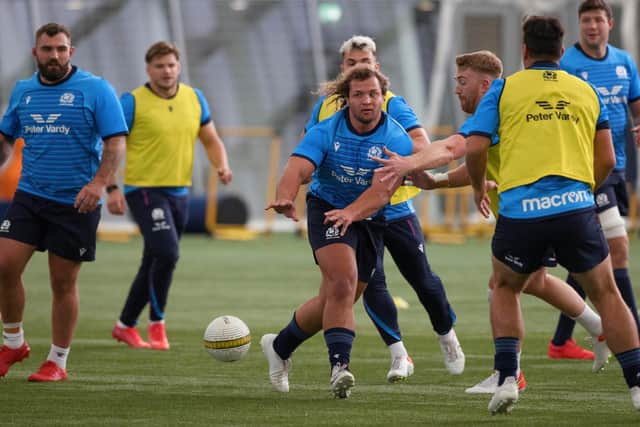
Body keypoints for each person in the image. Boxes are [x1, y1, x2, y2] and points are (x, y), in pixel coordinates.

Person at [387, 50, 608, 394]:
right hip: (538, 211)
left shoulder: (500, 105)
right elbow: (479, 164)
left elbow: (452, 148)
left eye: (462, 81)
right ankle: (598, 329)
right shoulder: (504, 108)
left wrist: (409, 164)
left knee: (503, 287)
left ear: (485, 84)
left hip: (534, 212)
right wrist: (439, 182)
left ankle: (509, 373)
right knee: (533, 281)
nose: (457, 89)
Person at [464, 16, 640, 414]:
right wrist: (584, 191)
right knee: (607, 292)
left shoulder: (504, 89)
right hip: (575, 208)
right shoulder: (586, 90)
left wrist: (478, 187)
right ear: (562, 52)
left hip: (520, 213)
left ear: (523, 51)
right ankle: (637, 384)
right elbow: (609, 158)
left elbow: (474, 149)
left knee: (506, 287)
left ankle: (508, 378)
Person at [303, 35, 463, 382]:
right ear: (343, 70)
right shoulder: (327, 108)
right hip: (349, 211)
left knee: (422, 278)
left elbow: (421, 143)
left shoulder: (392, 103)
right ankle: (399, 354)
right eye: (351, 63)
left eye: (365, 62)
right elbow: (310, 148)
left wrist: (399, 165)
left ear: (376, 67)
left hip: (394, 207)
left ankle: (446, 334)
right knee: (369, 284)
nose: (359, 67)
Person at [261, 65, 416, 399]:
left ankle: (280, 345)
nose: (367, 101)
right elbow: (297, 168)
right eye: (359, 95)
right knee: (343, 282)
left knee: (336, 298)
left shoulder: (396, 138)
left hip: (368, 217)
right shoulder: (326, 131)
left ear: (382, 97)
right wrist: (286, 196)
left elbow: (380, 193)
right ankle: (339, 368)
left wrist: (353, 213)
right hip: (327, 210)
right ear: (346, 99)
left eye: (374, 94)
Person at [0, 22, 127, 381]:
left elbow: (115, 142)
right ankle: (13, 343)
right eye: (46, 49)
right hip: (30, 195)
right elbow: (7, 138)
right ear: (35, 53)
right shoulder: (23, 91)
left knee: (62, 283)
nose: (53, 55)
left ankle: (57, 361)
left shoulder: (96, 89)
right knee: (4, 266)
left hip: (77, 202)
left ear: (71, 52)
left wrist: (100, 184)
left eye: (60, 49)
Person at [109, 41, 232, 350]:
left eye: (171, 65)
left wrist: (222, 165)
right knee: (167, 253)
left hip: (180, 192)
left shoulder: (194, 98)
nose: (166, 71)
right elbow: (111, 145)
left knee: (154, 258)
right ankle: (157, 324)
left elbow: (211, 139)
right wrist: (110, 187)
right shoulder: (132, 101)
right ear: (148, 69)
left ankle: (124, 325)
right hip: (144, 191)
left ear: (179, 67)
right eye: (159, 66)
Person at [548, 0, 640, 360]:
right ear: (579, 26)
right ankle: (631, 329)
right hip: (584, 169)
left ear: (609, 24)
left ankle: (561, 341)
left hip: (614, 166)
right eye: (585, 20)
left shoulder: (623, 62)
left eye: (597, 20)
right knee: (616, 249)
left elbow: (635, 105)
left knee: (593, 255)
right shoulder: (568, 65)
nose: (592, 26)